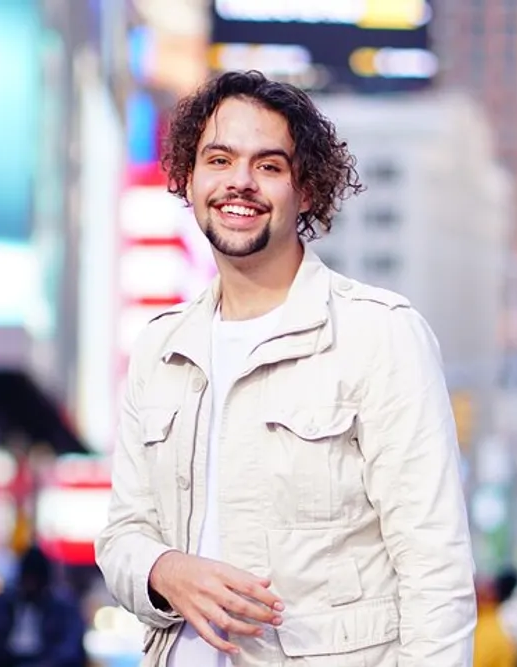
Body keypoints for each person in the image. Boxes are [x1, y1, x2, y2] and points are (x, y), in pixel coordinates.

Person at [95, 69, 476, 666]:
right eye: (218, 160)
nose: (239, 183)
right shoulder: (160, 348)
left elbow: (436, 574)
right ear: (188, 179)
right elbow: (121, 538)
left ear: (307, 189)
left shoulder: (380, 334)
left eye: (268, 166)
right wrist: (166, 571)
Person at [0, 547, 86, 667]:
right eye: (27, 580)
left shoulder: (64, 611)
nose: (31, 586)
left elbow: (70, 650)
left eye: (35, 581)